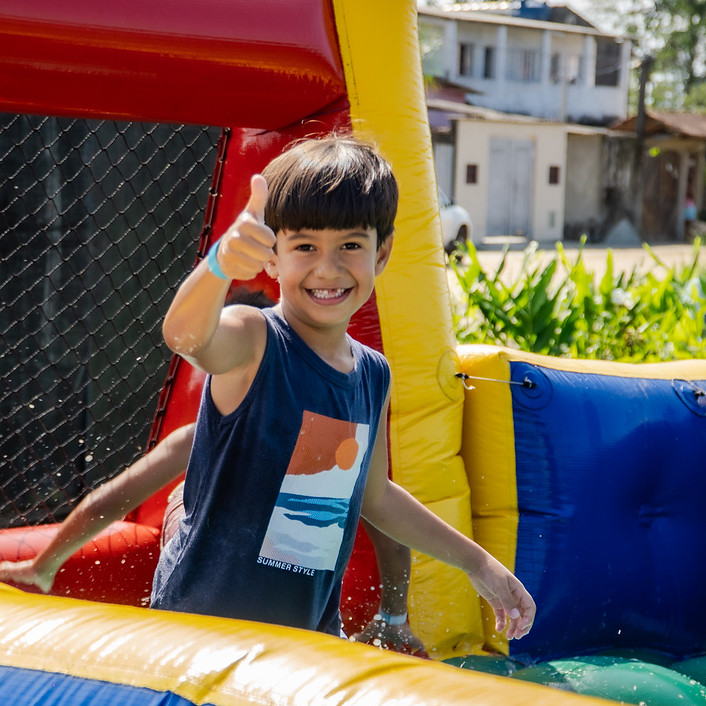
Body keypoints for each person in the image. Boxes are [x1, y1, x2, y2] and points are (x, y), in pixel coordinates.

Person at [153, 133, 536, 640]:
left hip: (305, 636)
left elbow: (374, 495)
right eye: (305, 246)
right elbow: (185, 337)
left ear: (383, 252)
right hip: (203, 629)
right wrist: (220, 264)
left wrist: (477, 563)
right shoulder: (256, 341)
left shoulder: (372, 373)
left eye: (350, 245)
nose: (327, 268)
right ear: (273, 256)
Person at [0, 286, 426, 653]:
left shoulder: (326, 428)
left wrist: (393, 615)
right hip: (213, 588)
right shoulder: (303, 432)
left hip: (260, 603)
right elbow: (114, 499)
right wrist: (394, 613)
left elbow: (379, 507)